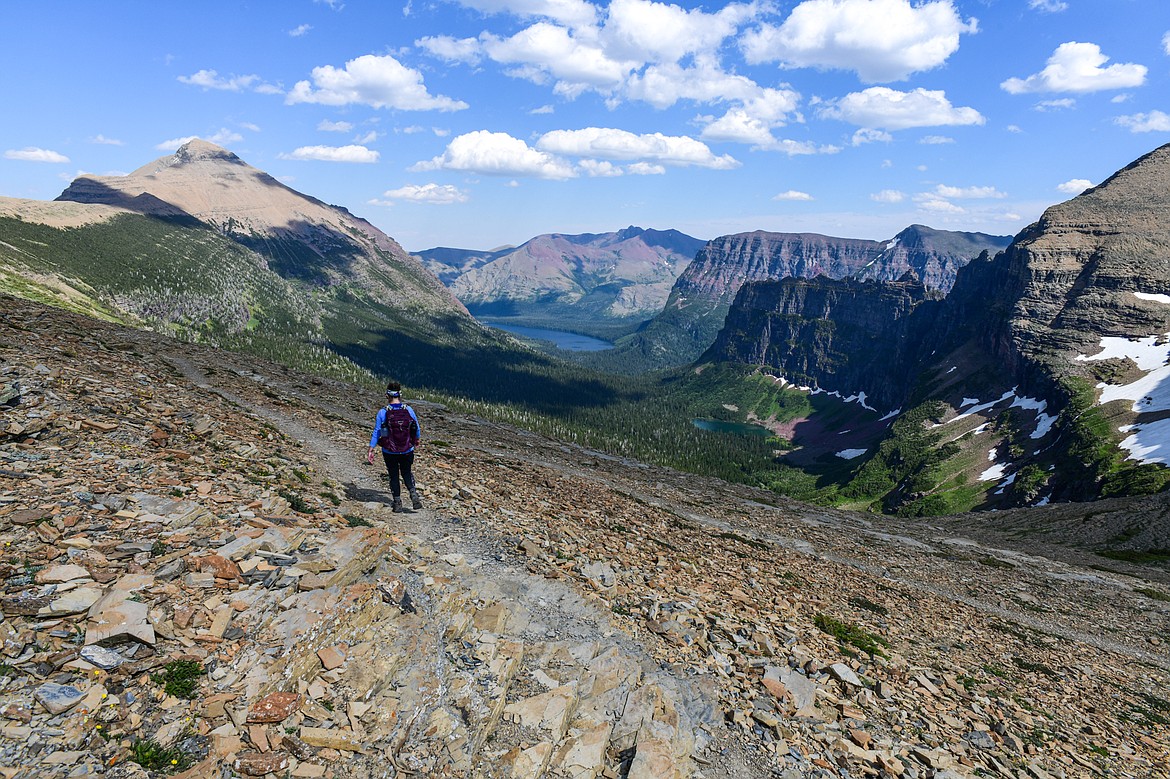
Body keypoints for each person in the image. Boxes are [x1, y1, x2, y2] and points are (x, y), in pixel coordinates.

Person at [366, 381, 423, 512]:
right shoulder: (408, 409)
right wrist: (416, 440)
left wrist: (371, 448)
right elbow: (417, 427)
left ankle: (397, 503)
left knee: (393, 475)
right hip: (407, 448)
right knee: (406, 472)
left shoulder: (382, 412)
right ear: (400, 394)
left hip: (389, 450)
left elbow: (377, 431)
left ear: (387, 395)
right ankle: (413, 493)